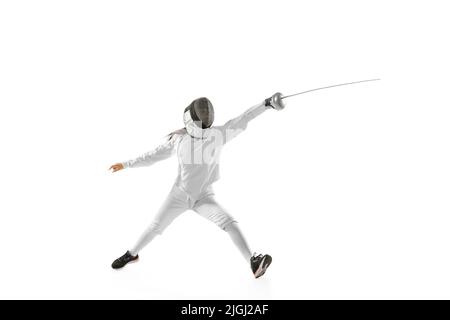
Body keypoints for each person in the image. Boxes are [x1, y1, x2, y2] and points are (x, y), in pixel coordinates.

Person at [109, 93, 285, 278]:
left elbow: (244, 117)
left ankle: (253, 261)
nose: (204, 117)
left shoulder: (218, 135)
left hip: (203, 197)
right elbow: (152, 156)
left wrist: (266, 104)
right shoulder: (178, 139)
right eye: (201, 114)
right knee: (155, 226)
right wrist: (126, 164)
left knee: (229, 223)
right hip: (179, 195)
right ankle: (131, 254)